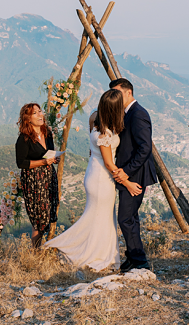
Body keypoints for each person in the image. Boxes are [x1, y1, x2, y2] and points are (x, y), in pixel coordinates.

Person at [45, 89, 141, 270]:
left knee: (98, 218)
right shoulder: (105, 134)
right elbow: (109, 164)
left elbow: (92, 150)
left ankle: (97, 252)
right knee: (102, 219)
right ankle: (93, 254)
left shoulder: (94, 118)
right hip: (102, 179)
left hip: (93, 173)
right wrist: (127, 183)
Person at [109, 78, 158, 272]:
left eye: (117, 93)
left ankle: (140, 261)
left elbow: (145, 148)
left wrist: (126, 173)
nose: (114, 97)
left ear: (128, 93)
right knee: (130, 217)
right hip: (130, 172)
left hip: (135, 174)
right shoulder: (128, 113)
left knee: (126, 218)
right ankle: (132, 257)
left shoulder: (138, 114)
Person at [15, 103, 60, 248]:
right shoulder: (24, 138)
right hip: (34, 180)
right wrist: (43, 162)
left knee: (48, 213)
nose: (40, 115)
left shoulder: (47, 133)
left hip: (48, 177)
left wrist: (54, 159)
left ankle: (41, 249)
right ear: (28, 118)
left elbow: (50, 153)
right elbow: (21, 163)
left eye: (40, 111)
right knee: (39, 217)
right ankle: (34, 251)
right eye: (35, 113)